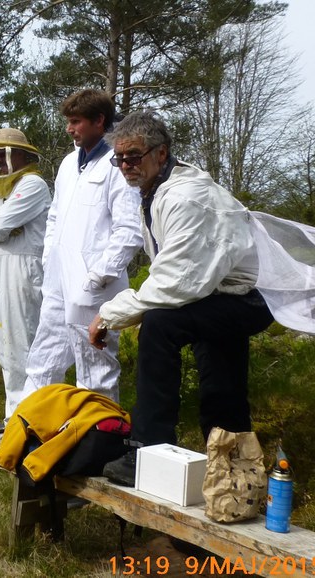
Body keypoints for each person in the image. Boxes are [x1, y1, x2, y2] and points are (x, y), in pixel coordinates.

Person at [92, 111, 274, 487]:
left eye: (134, 156)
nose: (126, 165)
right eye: (120, 158)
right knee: (220, 371)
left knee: (160, 323)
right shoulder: (157, 189)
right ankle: (233, 465)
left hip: (249, 298)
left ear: (161, 153)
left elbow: (174, 283)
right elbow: (179, 274)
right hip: (222, 293)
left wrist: (108, 315)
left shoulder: (188, 198)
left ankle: (147, 448)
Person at [22, 90, 142, 406]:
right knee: (44, 354)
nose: (69, 129)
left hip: (95, 286)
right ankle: (27, 427)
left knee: (96, 368)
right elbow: (55, 218)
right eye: (69, 122)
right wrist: (51, 260)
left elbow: (129, 231)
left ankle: (99, 442)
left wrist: (98, 276)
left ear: (99, 121)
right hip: (59, 280)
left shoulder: (118, 164)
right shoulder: (67, 165)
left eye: (76, 122)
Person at [0, 128, 51, 420]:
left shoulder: (32, 184)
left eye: (1, 153)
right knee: (5, 344)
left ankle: (33, 417)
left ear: (20, 154)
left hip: (23, 269)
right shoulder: (3, 192)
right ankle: (13, 417)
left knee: (23, 342)